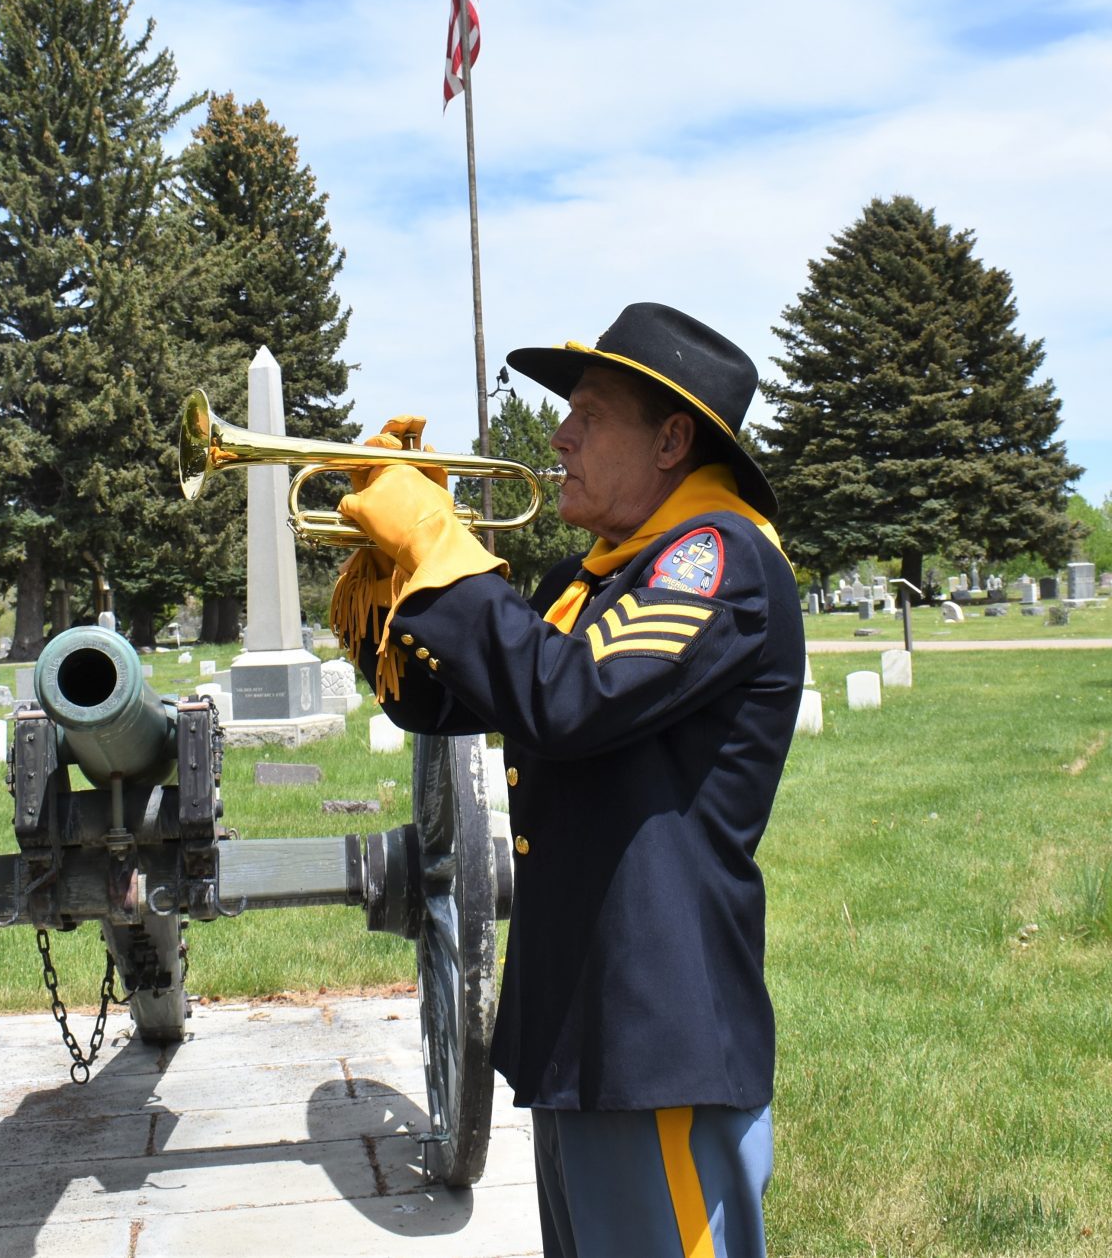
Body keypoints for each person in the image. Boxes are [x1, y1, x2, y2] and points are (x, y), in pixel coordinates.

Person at [329, 302, 802, 1258]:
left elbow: (570, 698)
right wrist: (393, 579)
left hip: (652, 1031)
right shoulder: (608, 577)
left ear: (672, 440)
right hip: (592, 1023)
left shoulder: (716, 560)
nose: (559, 435)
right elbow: (448, 706)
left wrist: (440, 548)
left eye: (587, 413)